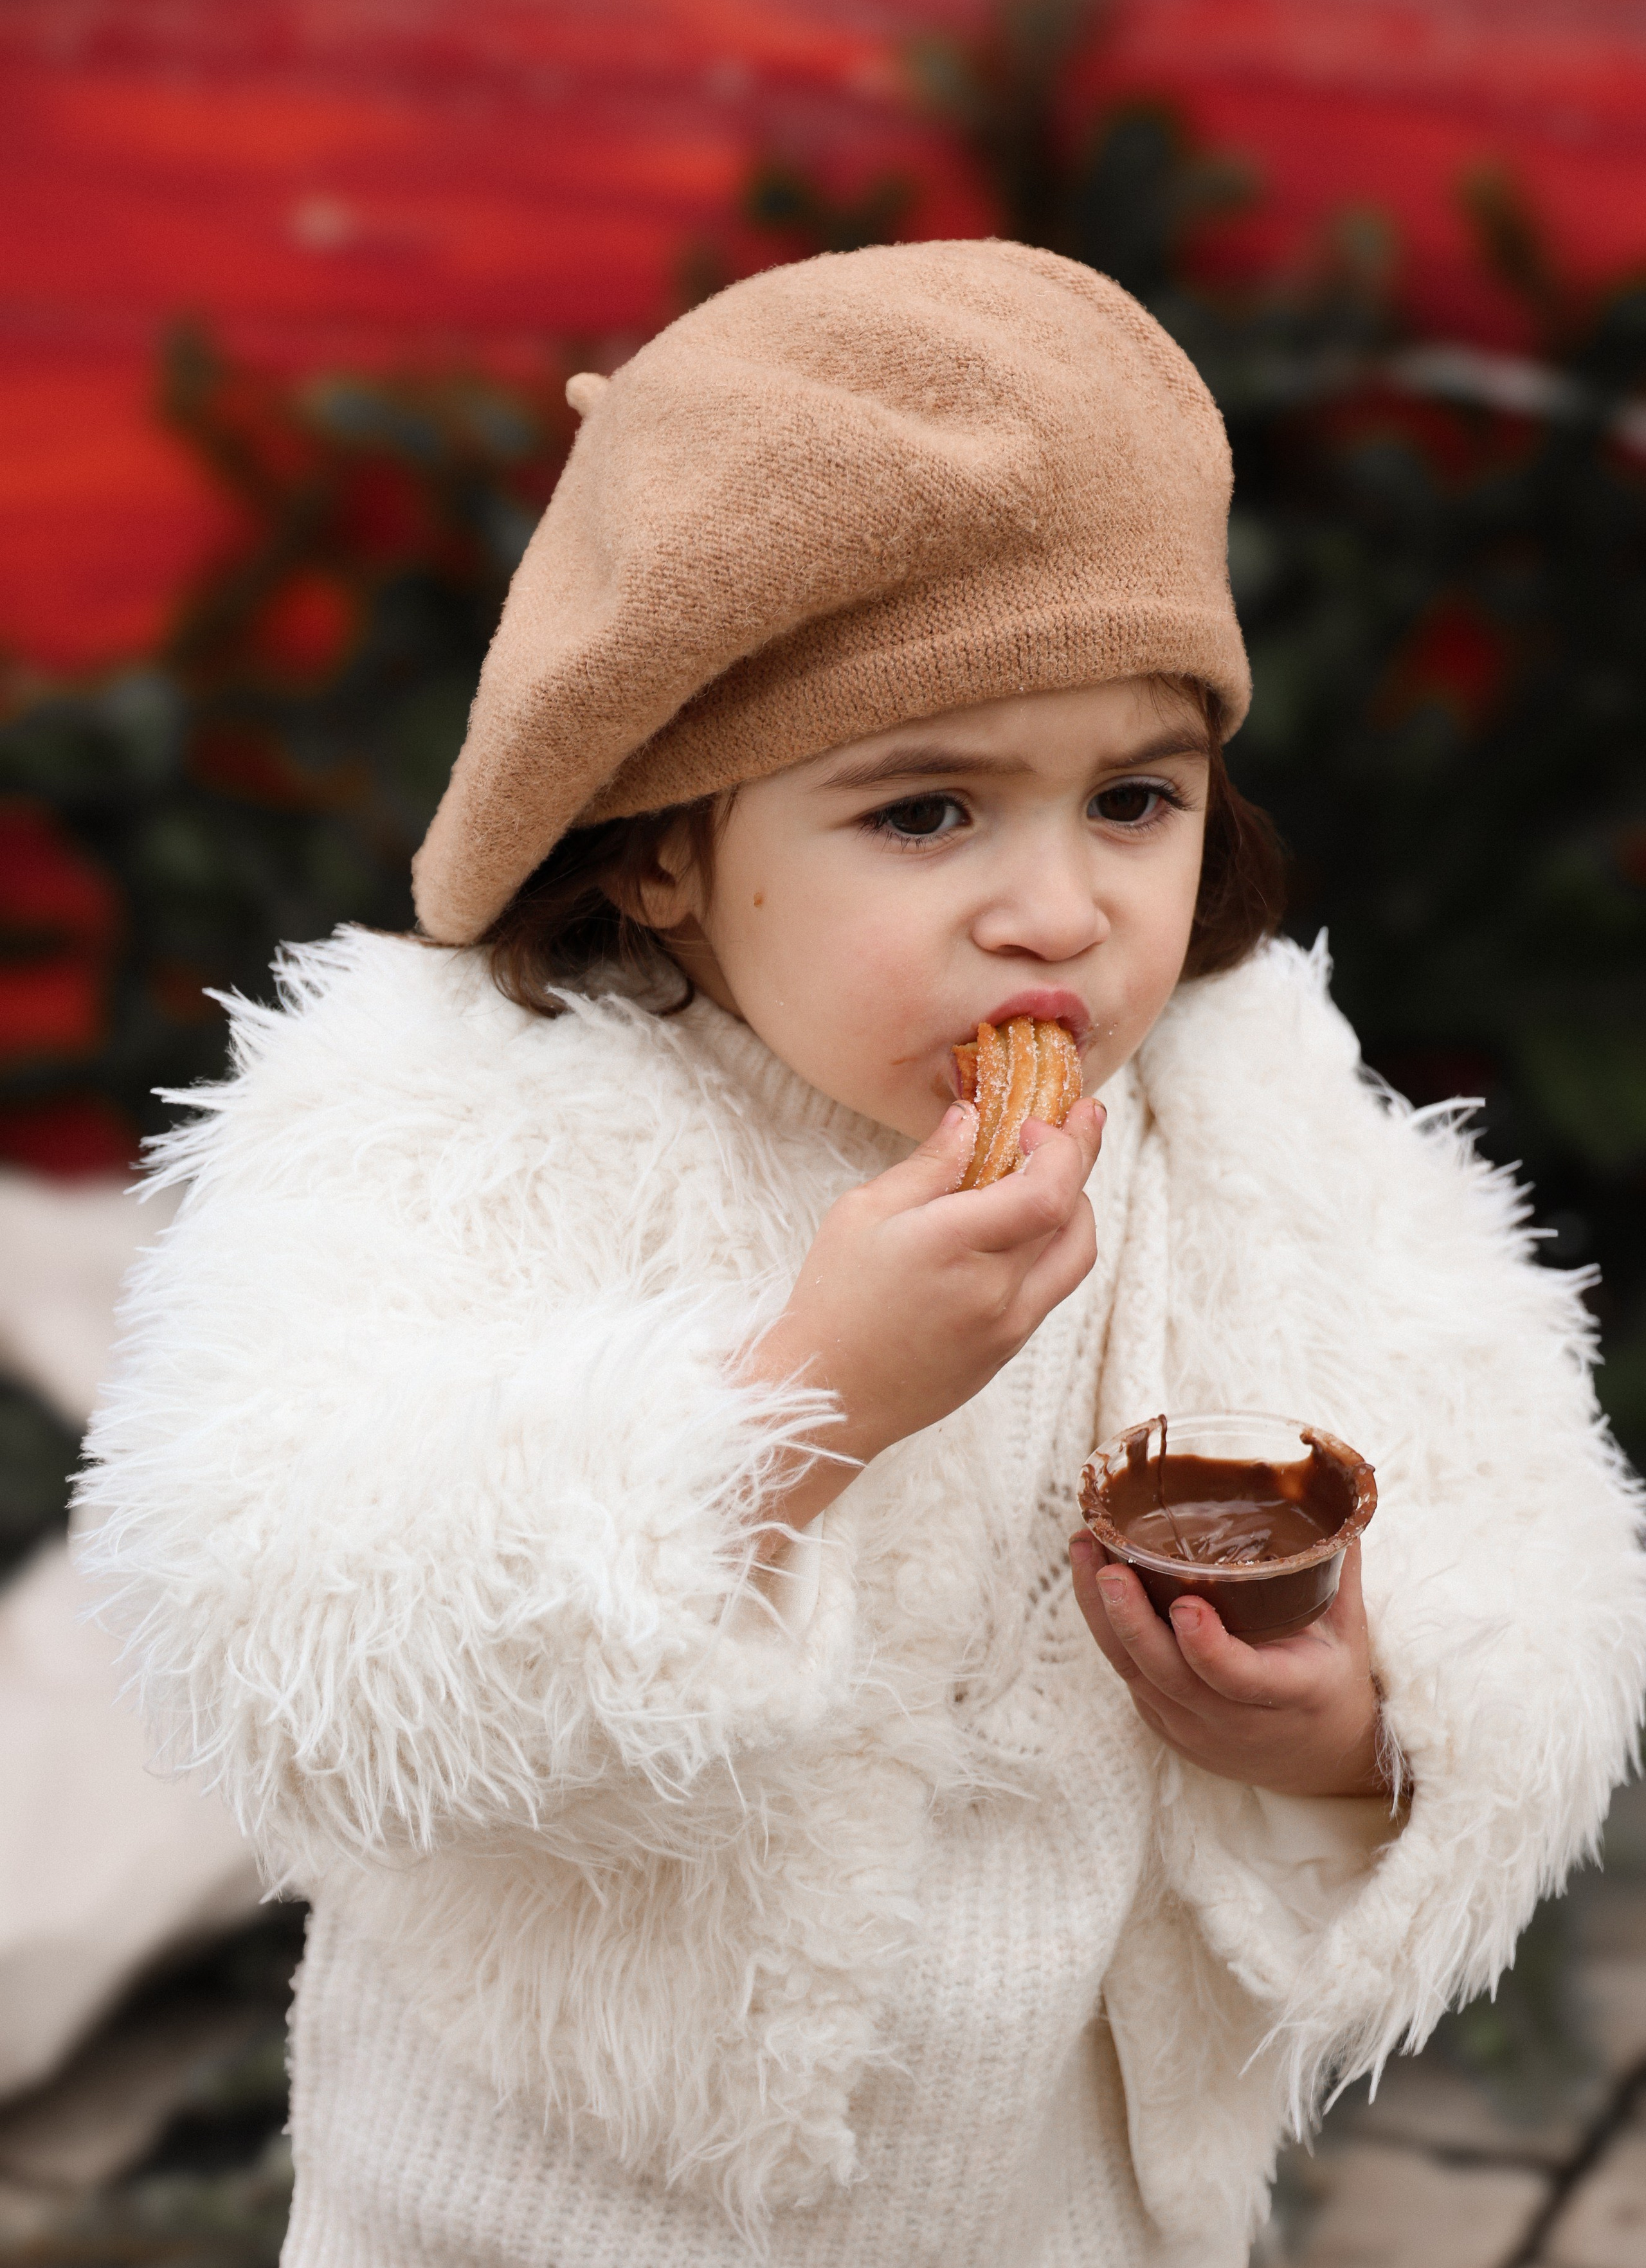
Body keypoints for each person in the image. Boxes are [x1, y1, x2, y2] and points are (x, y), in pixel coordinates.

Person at [80, 242, 1646, 2268]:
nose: (1060, 911)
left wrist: (1349, 1731)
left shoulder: (1255, 1131)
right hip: (552, 2215)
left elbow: (1526, 1560)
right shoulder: (473, 1125)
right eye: (926, 813)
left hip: (1062, 2216)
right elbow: (281, 1618)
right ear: (661, 839)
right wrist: (795, 1405)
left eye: (1133, 799)